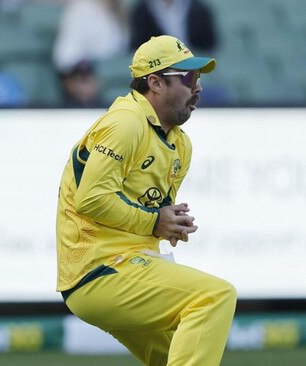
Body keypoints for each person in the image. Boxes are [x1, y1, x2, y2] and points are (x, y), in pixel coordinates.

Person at [56, 35, 236, 365]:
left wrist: (167, 225)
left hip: (130, 265)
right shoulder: (126, 123)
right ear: (154, 82)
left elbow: (148, 213)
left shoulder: (180, 145)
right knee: (215, 297)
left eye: (199, 78)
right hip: (99, 270)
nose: (197, 88)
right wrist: (156, 221)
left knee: (175, 354)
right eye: (188, 77)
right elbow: (91, 200)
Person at [129, 0, 217, 52]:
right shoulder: (141, 11)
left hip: (194, 66)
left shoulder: (198, 8)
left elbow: (209, 44)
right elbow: (138, 46)